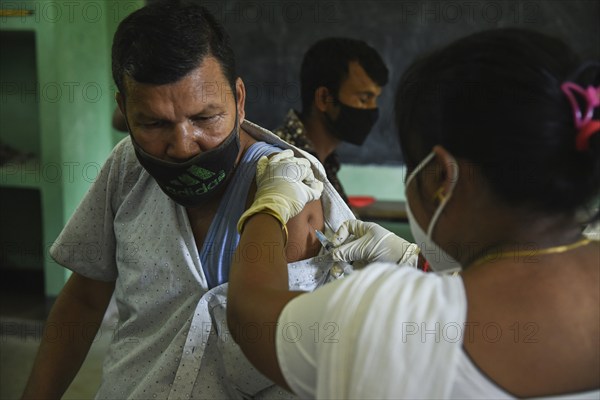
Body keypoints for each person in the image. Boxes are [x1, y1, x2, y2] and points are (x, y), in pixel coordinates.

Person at [227, 28, 600, 398]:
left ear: (441, 177)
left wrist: (270, 206)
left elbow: (250, 317)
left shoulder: (391, 321)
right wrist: (414, 259)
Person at [21, 1, 356, 399]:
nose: (182, 147)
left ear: (239, 98)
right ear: (124, 112)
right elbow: (85, 297)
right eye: (154, 123)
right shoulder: (127, 168)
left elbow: (324, 348)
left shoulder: (293, 190)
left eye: (205, 118)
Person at [273, 38, 389, 204]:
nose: (373, 110)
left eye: (375, 99)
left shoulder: (326, 163)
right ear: (324, 98)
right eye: (364, 99)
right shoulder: (283, 162)